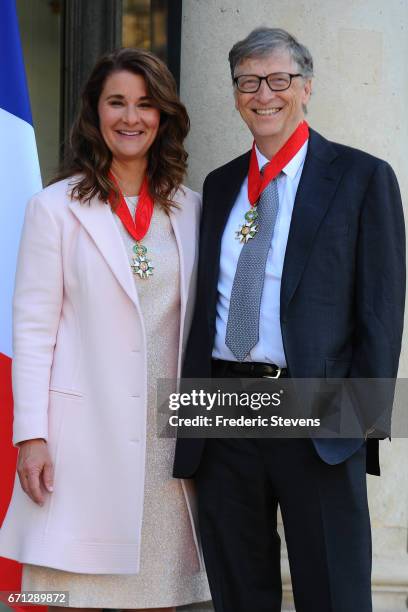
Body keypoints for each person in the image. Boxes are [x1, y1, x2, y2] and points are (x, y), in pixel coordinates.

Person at [173, 27, 405, 612]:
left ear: (306, 89)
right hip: (222, 410)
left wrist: (357, 425)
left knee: (334, 591)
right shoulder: (220, 184)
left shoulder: (361, 177)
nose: (263, 93)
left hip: (316, 413)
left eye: (280, 80)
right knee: (238, 590)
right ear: (234, 95)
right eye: (248, 82)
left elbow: (381, 311)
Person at [0, 47, 210, 611]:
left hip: (167, 453)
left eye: (145, 104)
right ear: (94, 112)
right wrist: (31, 437)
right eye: (116, 102)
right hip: (79, 447)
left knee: (161, 598)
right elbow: (33, 330)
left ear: (163, 116)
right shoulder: (54, 209)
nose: (130, 117)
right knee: (70, 598)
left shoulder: (193, 210)